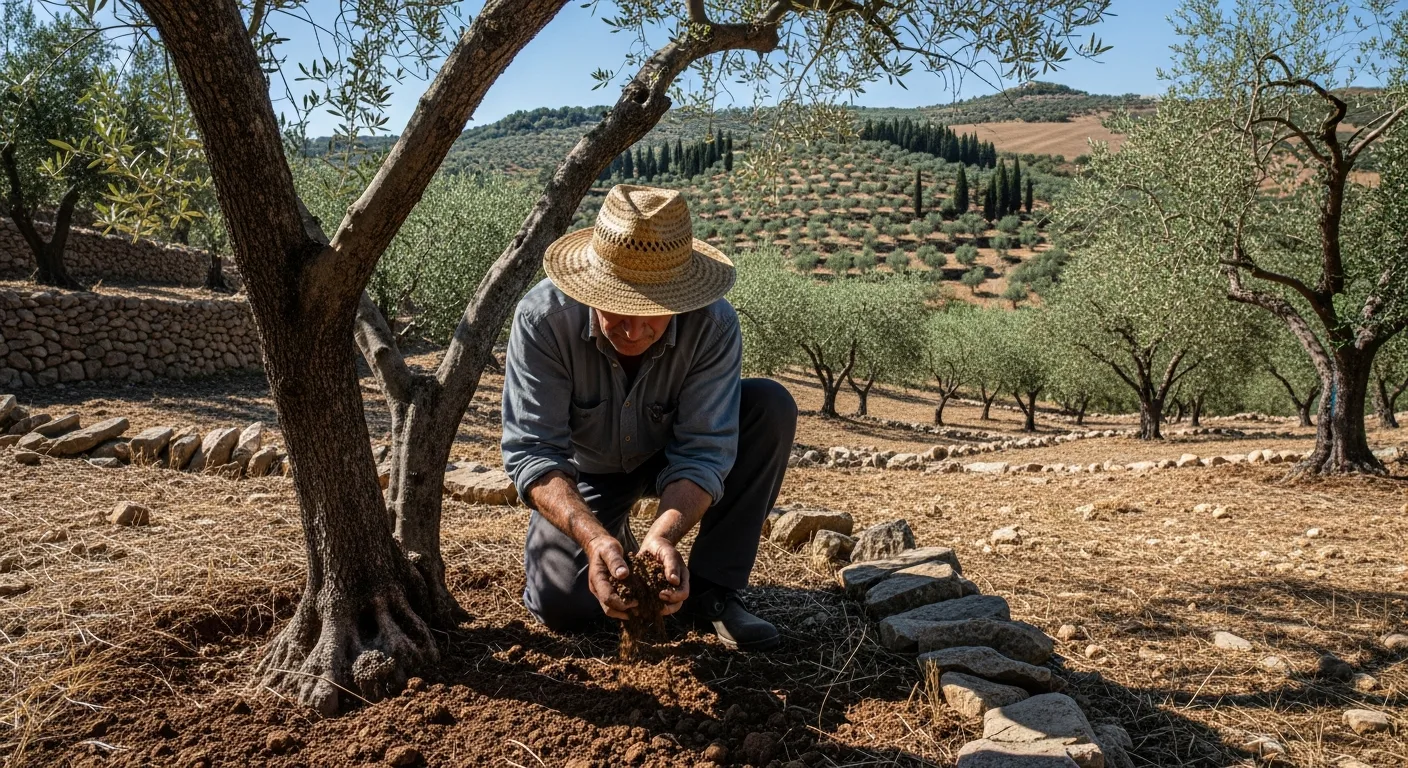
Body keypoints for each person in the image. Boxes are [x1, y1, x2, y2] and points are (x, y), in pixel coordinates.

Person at [501, 184, 796, 651]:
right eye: (617, 306)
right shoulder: (544, 321)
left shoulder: (713, 324)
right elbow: (534, 452)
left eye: (652, 311)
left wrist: (663, 536)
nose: (633, 330)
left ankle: (713, 592)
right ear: (591, 286)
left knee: (769, 407)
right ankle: (613, 534)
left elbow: (703, 451)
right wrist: (593, 539)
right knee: (560, 604)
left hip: (669, 458)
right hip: (590, 472)